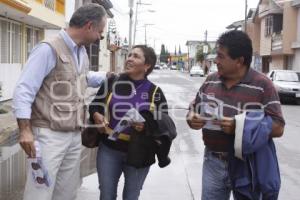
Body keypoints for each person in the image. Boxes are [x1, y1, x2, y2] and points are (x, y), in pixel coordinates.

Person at [13, 4, 108, 200]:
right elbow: (24, 89)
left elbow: (80, 78)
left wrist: (109, 76)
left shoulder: (81, 52)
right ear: (89, 26)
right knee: (40, 191)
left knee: (67, 192)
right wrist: (24, 130)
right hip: (48, 135)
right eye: (100, 31)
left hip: (74, 135)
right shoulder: (48, 49)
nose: (100, 37)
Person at [186, 30, 285, 200]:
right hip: (213, 161)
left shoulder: (263, 85)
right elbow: (195, 107)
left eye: (221, 56)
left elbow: (278, 127)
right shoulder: (211, 80)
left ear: (239, 61)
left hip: (247, 164)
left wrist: (240, 127)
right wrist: (191, 117)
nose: (215, 61)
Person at [89, 45, 176, 200]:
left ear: (147, 65)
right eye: (129, 55)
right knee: (106, 195)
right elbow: (95, 104)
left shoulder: (154, 92)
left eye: (136, 56)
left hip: (139, 152)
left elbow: (163, 124)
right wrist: (96, 114)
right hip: (109, 149)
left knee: (131, 196)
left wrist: (145, 126)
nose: (129, 58)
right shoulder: (111, 82)